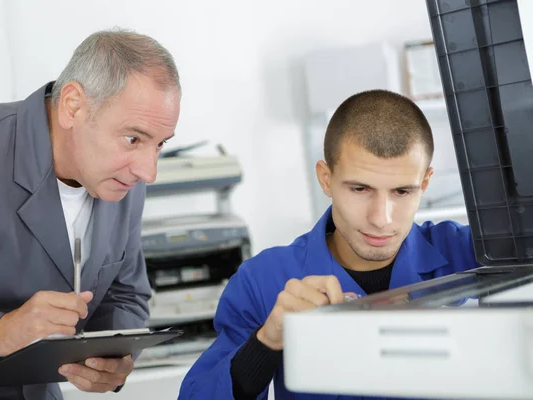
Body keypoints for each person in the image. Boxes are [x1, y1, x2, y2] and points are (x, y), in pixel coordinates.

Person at [178, 90, 479, 400]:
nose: (381, 219)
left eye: (402, 192)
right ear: (326, 178)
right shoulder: (262, 280)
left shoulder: (470, 251)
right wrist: (266, 342)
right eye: (360, 189)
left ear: (425, 184)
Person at [0, 28, 181, 399]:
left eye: (159, 145)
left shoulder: (122, 177)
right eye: (133, 138)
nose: (149, 171)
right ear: (73, 106)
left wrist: (113, 355)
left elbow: (125, 293)